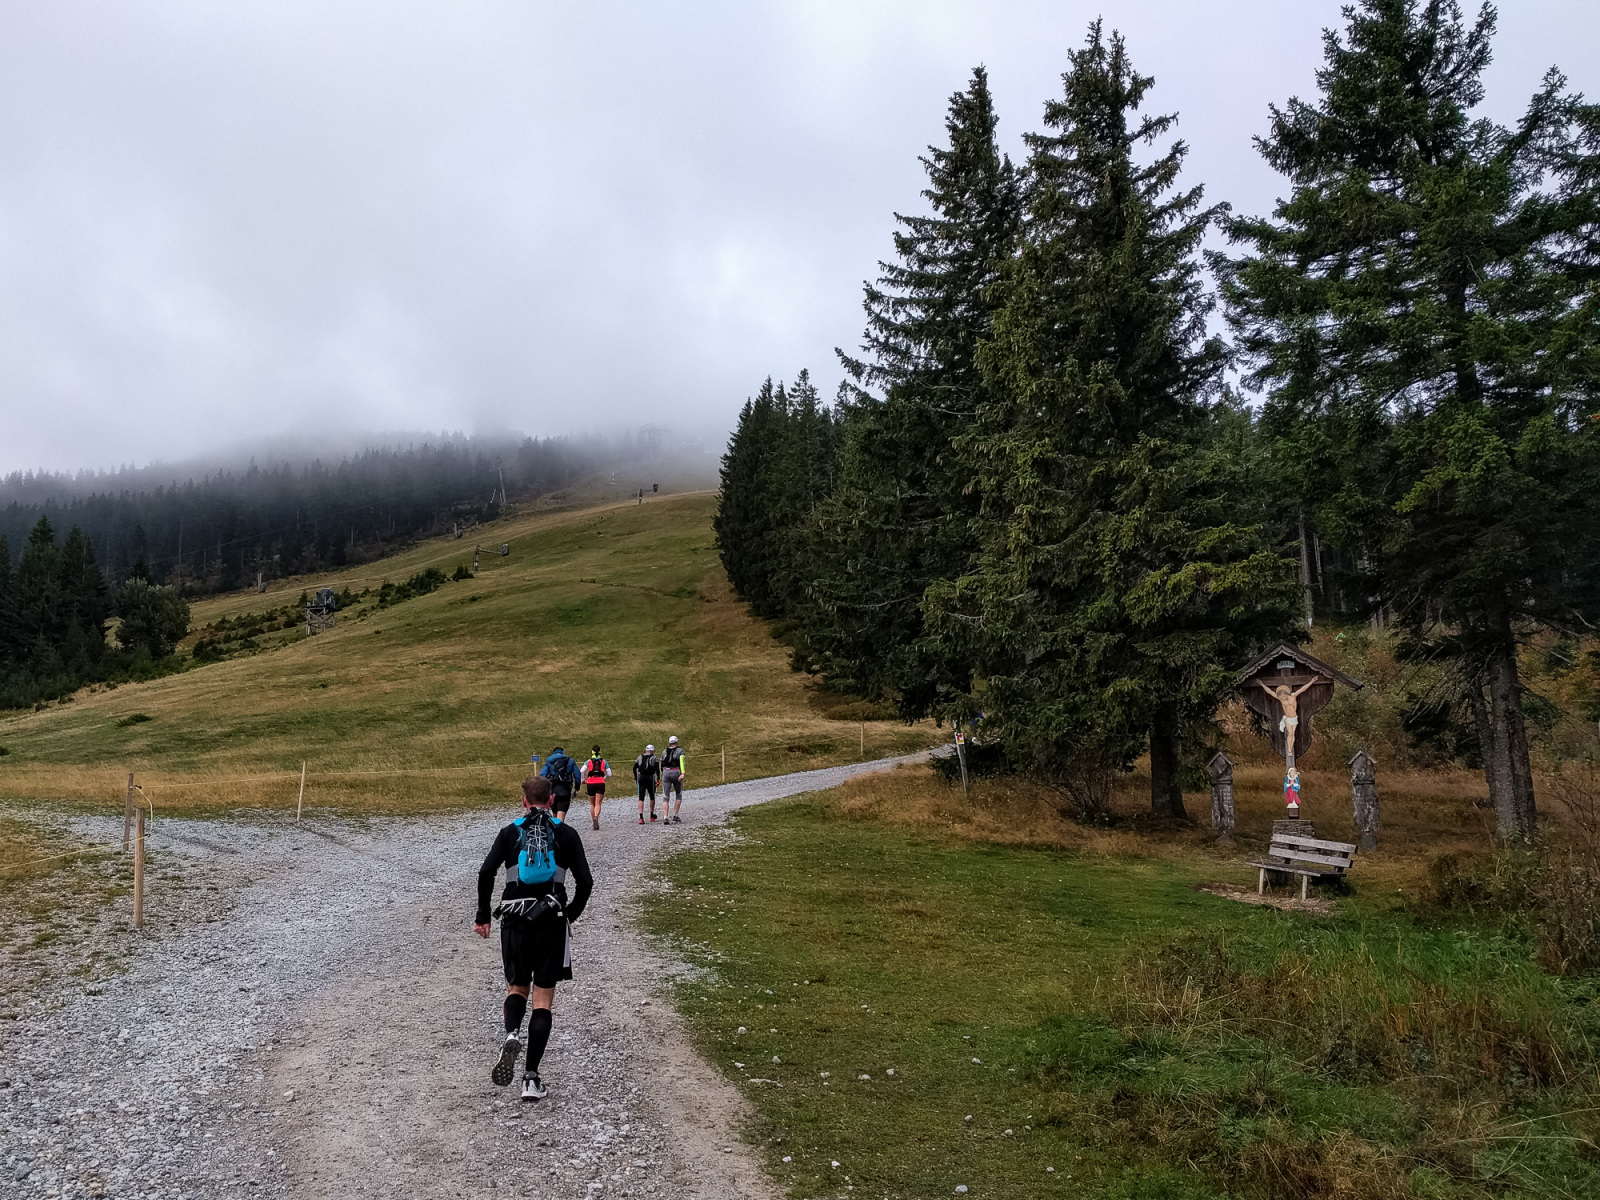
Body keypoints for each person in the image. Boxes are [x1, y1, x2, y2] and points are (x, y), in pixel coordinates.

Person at [474, 775, 593, 1101]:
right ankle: (530, 1078)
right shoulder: (566, 834)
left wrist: (483, 916)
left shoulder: (509, 832)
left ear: (524, 801)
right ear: (552, 800)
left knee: (517, 988)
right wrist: (570, 914)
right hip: (551, 921)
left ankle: (512, 1033)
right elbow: (585, 882)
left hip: (514, 921)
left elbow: (486, 872)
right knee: (543, 999)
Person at [540, 746, 578, 821]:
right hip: (565, 790)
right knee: (561, 811)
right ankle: (559, 827)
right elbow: (577, 775)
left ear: (553, 753)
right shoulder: (569, 761)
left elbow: (542, 775)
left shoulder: (549, 761)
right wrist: (577, 787)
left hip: (552, 790)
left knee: (554, 812)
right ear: (563, 752)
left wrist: (544, 789)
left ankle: (554, 827)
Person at [582, 745, 611, 830]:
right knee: (598, 803)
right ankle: (596, 818)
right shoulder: (604, 761)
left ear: (592, 752)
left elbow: (582, 771)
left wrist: (583, 780)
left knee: (592, 803)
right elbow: (609, 774)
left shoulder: (588, 761)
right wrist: (604, 778)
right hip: (600, 783)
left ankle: (593, 820)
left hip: (590, 783)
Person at [634, 744, 662, 824]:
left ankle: (641, 817)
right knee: (652, 796)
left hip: (641, 778)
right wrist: (658, 778)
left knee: (641, 797)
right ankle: (651, 815)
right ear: (653, 751)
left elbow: (634, 768)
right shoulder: (655, 758)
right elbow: (657, 769)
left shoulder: (639, 757)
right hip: (650, 778)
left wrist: (636, 777)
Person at [661, 735, 686, 824]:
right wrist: (683, 773)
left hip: (666, 772)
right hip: (676, 772)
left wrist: (663, 773)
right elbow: (682, 762)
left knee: (666, 796)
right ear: (677, 742)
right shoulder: (680, 751)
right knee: (678, 794)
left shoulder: (664, 751)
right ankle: (675, 815)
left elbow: (662, 763)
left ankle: (665, 817)